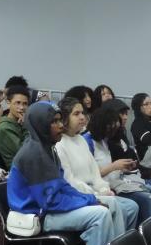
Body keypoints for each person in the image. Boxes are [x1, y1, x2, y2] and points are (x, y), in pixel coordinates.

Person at [7, 101, 122, 245]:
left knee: (110, 203)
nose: (61, 125)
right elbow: (50, 202)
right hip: (39, 216)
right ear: (41, 125)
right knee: (99, 215)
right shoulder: (34, 154)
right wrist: (89, 203)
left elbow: (63, 186)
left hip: (49, 208)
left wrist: (90, 198)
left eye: (60, 120)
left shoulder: (47, 147)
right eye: (54, 122)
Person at [54, 97, 139, 235]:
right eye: (76, 114)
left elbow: (94, 173)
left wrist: (104, 188)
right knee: (114, 205)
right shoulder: (60, 144)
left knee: (132, 207)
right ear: (64, 118)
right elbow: (70, 182)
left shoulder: (80, 139)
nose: (82, 117)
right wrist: (97, 194)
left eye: (82, 113)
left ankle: (123, 243)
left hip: (94, 191)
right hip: (81, 194)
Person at [0, 86, 31, 169]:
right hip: (20, 171)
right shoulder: (5, 128)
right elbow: (26, 153)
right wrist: (26, 127)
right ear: (8, 102)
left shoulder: (20, 122)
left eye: (25, 104)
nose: (21, 107)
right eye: (17, 103)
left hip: (29, 166)